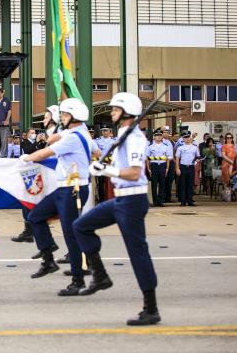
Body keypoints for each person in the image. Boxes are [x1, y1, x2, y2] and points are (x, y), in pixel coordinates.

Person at [74, 92, 160, 326]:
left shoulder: (134, 138)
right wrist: (105, 164)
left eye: (114, 109)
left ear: (127, 112)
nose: (111, 112)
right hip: (121, 200)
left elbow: (134, 172)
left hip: (132, 201)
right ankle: (100, 276)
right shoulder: (124, 133)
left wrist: (107, 171)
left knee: (137, 253)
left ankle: (150, 308)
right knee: (81, 226)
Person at [22, 98, 97, 296]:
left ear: (74, 116)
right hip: (65, 189)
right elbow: (96, 151)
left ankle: (77, 280)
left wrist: (25, 158)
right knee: (35, 217)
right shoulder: (79, 133)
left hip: (73, 190)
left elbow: (43, 153)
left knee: (70, 235)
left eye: (64, 114)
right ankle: (48, 259)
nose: (61, 117)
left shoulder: (73, 137)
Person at [145, 128, 172, 207]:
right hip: (154, 165)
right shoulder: (150, 146)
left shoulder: (166, 146)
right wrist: (148, 168)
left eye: (160, 135)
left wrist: (167, 168)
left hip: (163, 165)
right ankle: (155, 201)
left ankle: (160, 201)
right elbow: (147, 158)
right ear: (154, 137)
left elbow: (168, 158)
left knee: (162, 183)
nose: (159, 137)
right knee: (154, 184)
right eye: (157, 135)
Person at [175, 130, 199, 206]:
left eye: (188, 137)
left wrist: (195, 163)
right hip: (183, 167)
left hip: (191, 167)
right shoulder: (180, 148)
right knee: (182, 184)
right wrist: (177, 168)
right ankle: (183, 201)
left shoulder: (195, 147)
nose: (187, 139)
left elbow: (197, 157)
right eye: (185, 137)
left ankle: (190, 201)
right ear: (183, 139)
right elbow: (177, 158)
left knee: (190, 184)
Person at [95, 124, 116, 202]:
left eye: (106, 130)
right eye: (103, 131)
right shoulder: (97, 141)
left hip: (111, 165)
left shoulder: (114, 141)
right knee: (101, 183)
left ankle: (110, 199)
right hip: (101, 164)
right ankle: (101, 200)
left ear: (110, 131)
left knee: (111, 183)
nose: (104, 132)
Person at [162, 127, 175, 203]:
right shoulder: (160, 142)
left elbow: (172, 153)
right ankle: (163, 197)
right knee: (164, 180)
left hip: (171, 162)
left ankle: (168, 197)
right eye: (164, 132)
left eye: (167, 132)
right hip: (164, 162)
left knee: (170, 181)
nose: (166, 133)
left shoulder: (169, 142)